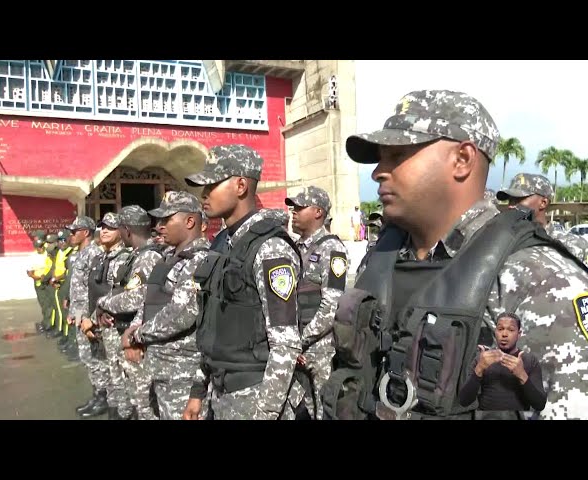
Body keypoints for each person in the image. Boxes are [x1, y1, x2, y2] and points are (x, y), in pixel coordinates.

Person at [322, 89, 588, 420]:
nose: (378, 172)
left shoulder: (539, 280)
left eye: (398, 154)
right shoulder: (381, 258)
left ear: (462, 160)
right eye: (380, 158)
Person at [181, 144, 302, 420]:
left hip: (256, 396)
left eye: (212, 185)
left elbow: (285, 343)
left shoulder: (270, 248)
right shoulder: (222, 243)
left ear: (240, 185)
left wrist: (267, 412)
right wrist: (197, 393)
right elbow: (210, 324)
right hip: (221, 394)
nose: (204, 194)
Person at [120, 191, 211, 420]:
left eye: (166, 219)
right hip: (158, 365)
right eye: (158, 220)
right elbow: (150, 298)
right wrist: (135, 326)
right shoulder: (168, 257)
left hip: (183, 374)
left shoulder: (200, 260)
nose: (159, 226)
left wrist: (138, 335)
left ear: (190, 221)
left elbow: (181, 313)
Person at [93, 206, 163, 420]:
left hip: (138, 339)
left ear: (126, 230)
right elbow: (123, 289)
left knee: (145, 406)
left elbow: (135, 298)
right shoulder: (136, 255)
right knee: (135, 401)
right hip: (126, 333)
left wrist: (103, 303)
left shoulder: (148, 257)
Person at [285, 186, 349, 420]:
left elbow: (331, 305)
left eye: (300, 207)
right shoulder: (295, 248)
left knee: (325, 410)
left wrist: (301, 341)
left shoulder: (332, 249)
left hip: (321, 348)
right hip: (297, 346)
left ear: (318, 212)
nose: (294, 212)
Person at [79, 212, 131, 419]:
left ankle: (120, 413)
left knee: (120, 378)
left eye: (110, 227)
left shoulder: (126, 258)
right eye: (103, 227)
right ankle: (110, 409)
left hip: (114, 327)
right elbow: (90, 290)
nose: (105, 231)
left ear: (122, 231)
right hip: (95, 324)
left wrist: (92, 319)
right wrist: (85, 317)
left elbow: (120, 294)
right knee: (105, 372)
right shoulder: (100, 257)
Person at [458, 312, 546, 419]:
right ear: (495, 332)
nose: (504, 334)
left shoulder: (530, 360)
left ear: (519, 334)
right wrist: (479, 369)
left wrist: (522, 375)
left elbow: (540, 404)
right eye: (500, 329)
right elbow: (464, 401)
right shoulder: (482, 359)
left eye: (510, 330)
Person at [67, 215, 111, 417]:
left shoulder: (95, 253)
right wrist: (73, 313)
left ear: (85, 232)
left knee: (97, 359)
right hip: (80, 314)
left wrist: (89, 318)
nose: (71, 235)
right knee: (87, 358)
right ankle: (97, 394)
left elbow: (97, 291)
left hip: (89, 317)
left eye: (74, 231)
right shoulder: (81, 253)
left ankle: (103, 397)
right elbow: (78, 289)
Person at [497, 173, 588, 264]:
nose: (511, 206)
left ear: (543, 203)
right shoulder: (502, 242)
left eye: (518, 199)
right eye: (510, 200)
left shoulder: (571, 245)